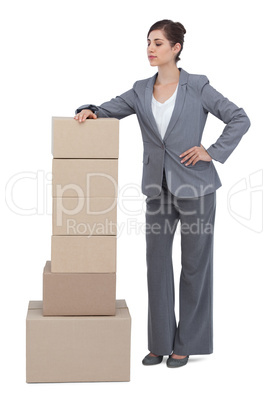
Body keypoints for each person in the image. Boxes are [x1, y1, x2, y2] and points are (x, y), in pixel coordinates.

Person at [74, 19, 250, 368]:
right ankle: (159, 342)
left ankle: (187, 343)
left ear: (176, 49)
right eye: (148, 43)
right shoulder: (140, 89)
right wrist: (88, 109)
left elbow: (239, 118)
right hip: (158, 189)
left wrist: (211, 151)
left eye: (158, 43)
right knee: (156, 265)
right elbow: (107, 109)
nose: (150, 49)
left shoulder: (198, 86)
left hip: (197, 187)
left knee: (195, 266)